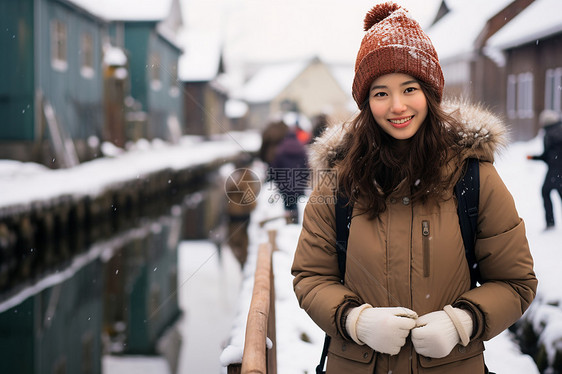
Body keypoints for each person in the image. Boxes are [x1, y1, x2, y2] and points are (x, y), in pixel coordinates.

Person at [291, 3, 537, 374]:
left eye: (409, 88)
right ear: (365, 101)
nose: (397, 106)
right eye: (380, 93)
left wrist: (463, 322)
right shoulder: (338, 183)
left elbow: (515, 281)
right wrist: (354, 320)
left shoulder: (474, 178)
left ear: (430, 92)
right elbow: (311, 277)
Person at [527, 109, 562, 229]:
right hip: (557, 169)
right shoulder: (558, 130)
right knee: (558, 192)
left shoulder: (550, 134)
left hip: (555, 170)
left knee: (545, 192)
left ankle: (550, 222)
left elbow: (549, 156)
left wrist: (535, 157)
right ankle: (550, 222)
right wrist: (534, 157)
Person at [269, 127, 309, 224]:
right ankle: (295, 222)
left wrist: (276, 180)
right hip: (298, 184)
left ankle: (288, 223)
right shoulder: (301, 149)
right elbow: (306, 168)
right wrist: (303, 181)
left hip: (284, 185)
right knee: (295, 204)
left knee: (287, 204)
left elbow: (274, 168)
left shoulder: (281, 149)